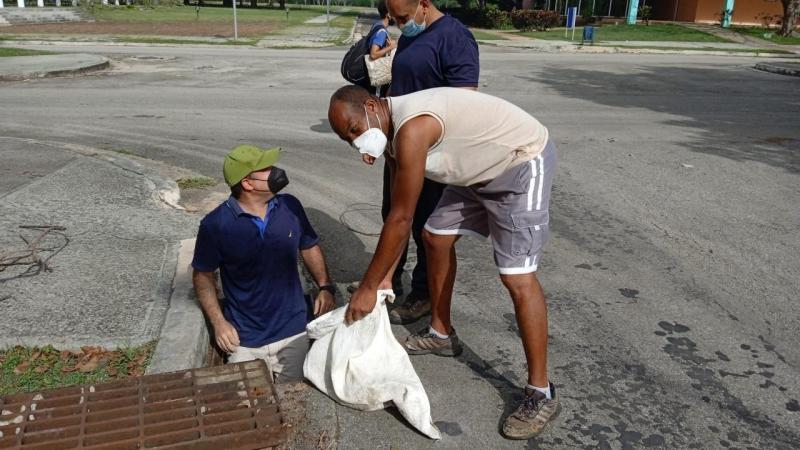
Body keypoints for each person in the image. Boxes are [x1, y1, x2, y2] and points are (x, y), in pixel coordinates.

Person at [328, 86, 560, 439]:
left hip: (519, 161)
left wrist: (369, 286)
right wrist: (387, 276)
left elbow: (401, 218)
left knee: (517, 276)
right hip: (474, 173)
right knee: (435, 236)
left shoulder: (414, 128)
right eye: (347, 139)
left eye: (355, 130)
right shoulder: (390, 134)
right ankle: (441, 333)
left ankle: (540, 392)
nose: (356, 143)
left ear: (372, 106)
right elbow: (397, 211)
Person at [192, 144, 336, 382]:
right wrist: (218, 323)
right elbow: (203, 275)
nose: (276, 171)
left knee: (295, 407)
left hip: (294, 333)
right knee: (251, 406)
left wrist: (325, 286)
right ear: (247, 183)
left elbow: (308, 245)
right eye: (267, 168)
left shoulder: (290, 206)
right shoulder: (215, 225)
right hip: (245, 340)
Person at [379, 0, 479, 325]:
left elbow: (465, 101)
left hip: (433, 152)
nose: (399, 24)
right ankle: (387, 284)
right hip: (400, 147)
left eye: (404, 17)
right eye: (394, 18)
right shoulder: (410, 35)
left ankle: (422, 295)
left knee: (425, 225)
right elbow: (400, 86)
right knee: (392, 214)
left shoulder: (454, 37)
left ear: (424, 4)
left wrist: (426, 142)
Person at [367, 1, 396, 96]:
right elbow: (373, 54)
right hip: (376, 77)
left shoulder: (377, 25)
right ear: (388, 14)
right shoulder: (382, 31)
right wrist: (390, 47)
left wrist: (387, 47)